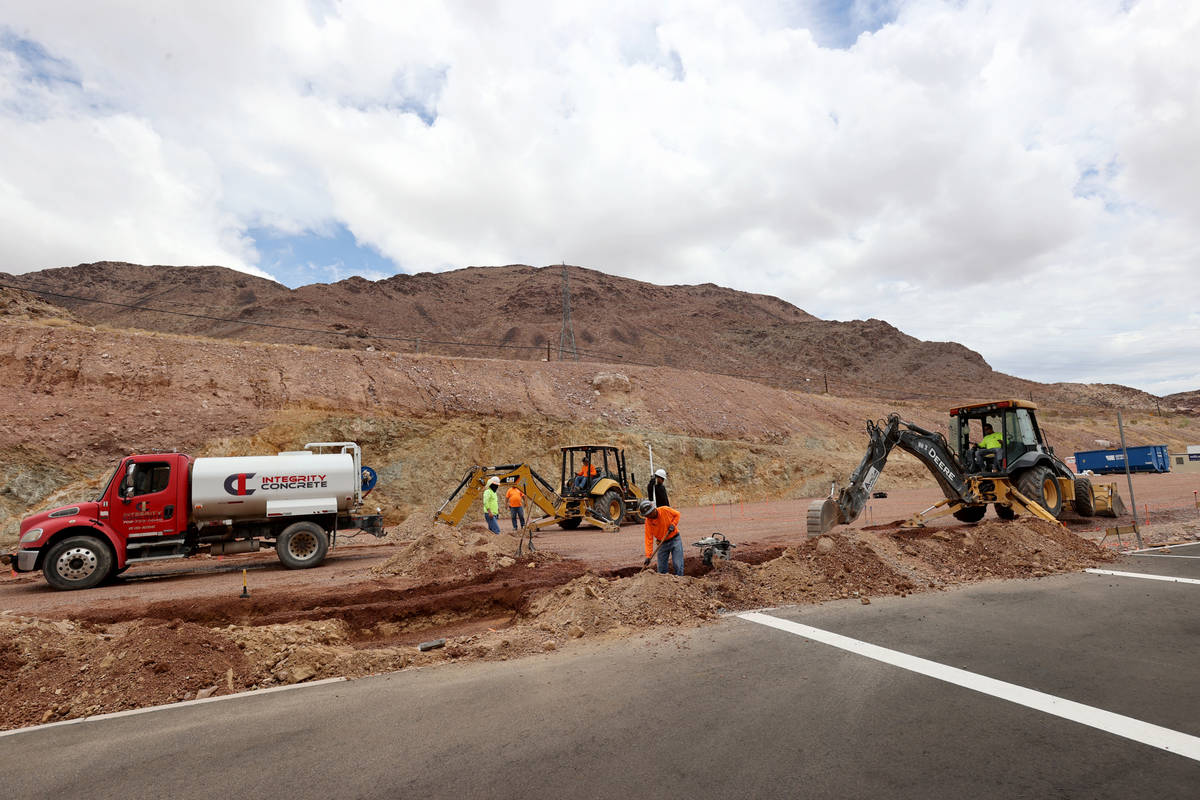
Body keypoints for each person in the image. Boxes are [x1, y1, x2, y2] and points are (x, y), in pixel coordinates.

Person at [639, 499, 684, 576]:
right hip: (661, 543)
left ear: (653, 509)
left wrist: (673, 524)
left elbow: (677, 514)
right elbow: (648, 539)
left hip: (674, 539)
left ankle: (680, 582)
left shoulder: (664, 510)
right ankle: (664, 586)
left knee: (678, 564)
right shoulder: (648, 521)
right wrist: (648, 556)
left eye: (649, 514)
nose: (648, 516)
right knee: (661, 568)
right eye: (646, 515)